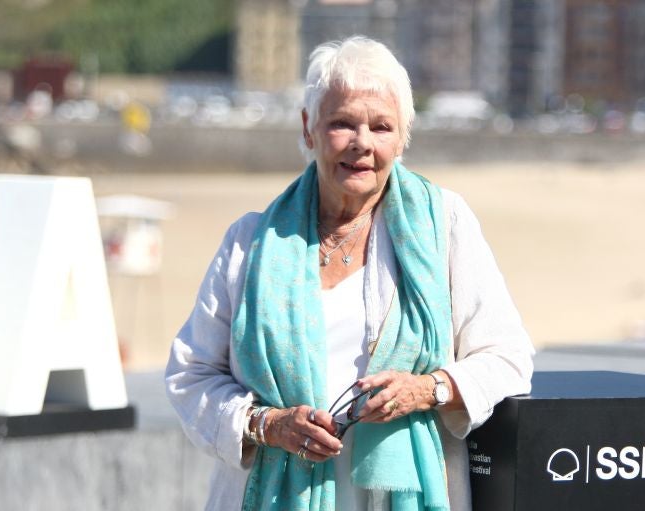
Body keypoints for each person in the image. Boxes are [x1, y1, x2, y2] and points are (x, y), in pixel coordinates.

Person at [165, 36, 534, 511]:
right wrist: (266, 424)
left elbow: (508, 358)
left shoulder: (445, 226)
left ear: (402, 140)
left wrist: (427, 389)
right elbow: (190, 374)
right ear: (308, 129)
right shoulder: (250, 241)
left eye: (381, 127)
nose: (362, 143)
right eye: (342, 123)